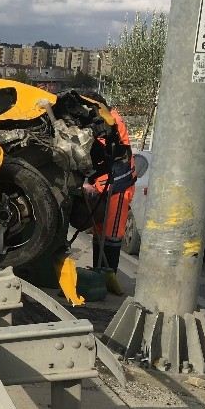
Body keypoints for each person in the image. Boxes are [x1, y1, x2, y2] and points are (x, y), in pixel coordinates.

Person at [82, 92, 136, 296]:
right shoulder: (105, 117)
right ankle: (99, 271)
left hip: (119, 185)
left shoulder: (110, 120)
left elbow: (112, 151)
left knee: (112, 234)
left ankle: (108, 274)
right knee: (99, 231)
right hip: (105, 182)